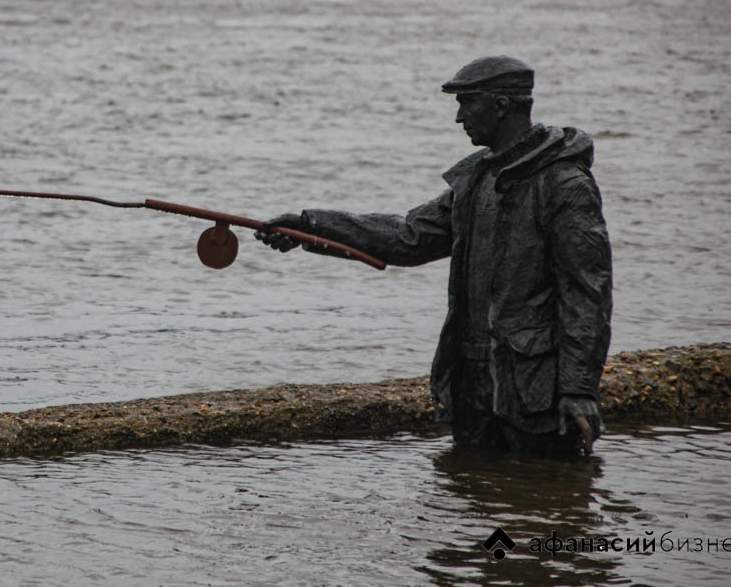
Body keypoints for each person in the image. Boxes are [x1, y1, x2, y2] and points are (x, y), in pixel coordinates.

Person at [257, 56, 612, 455]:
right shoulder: (477, 177)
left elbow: (587, 294)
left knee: (551, 504)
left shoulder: (565, 185)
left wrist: (579, 389)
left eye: (467, 104)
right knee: (474, 504)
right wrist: (311, 226)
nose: (459, 118)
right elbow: (409, 237)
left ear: (501, 105)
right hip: (472, 387)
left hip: (536, 392)